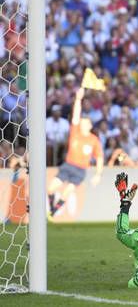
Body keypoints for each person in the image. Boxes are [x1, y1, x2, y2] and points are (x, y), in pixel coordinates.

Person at [48, 87, 104, 216]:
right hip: (68, 166)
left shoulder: (93, 140)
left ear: (90, 126)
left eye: (85, 123)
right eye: (82, 123)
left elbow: (99, 158)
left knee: (67, 192)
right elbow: (76, 115)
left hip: (80, 170)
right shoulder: (75, 132)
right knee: (51, 188)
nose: (82, 125)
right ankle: (51, 205)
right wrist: (78, 99)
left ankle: (53, 211)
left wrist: (98, 174)